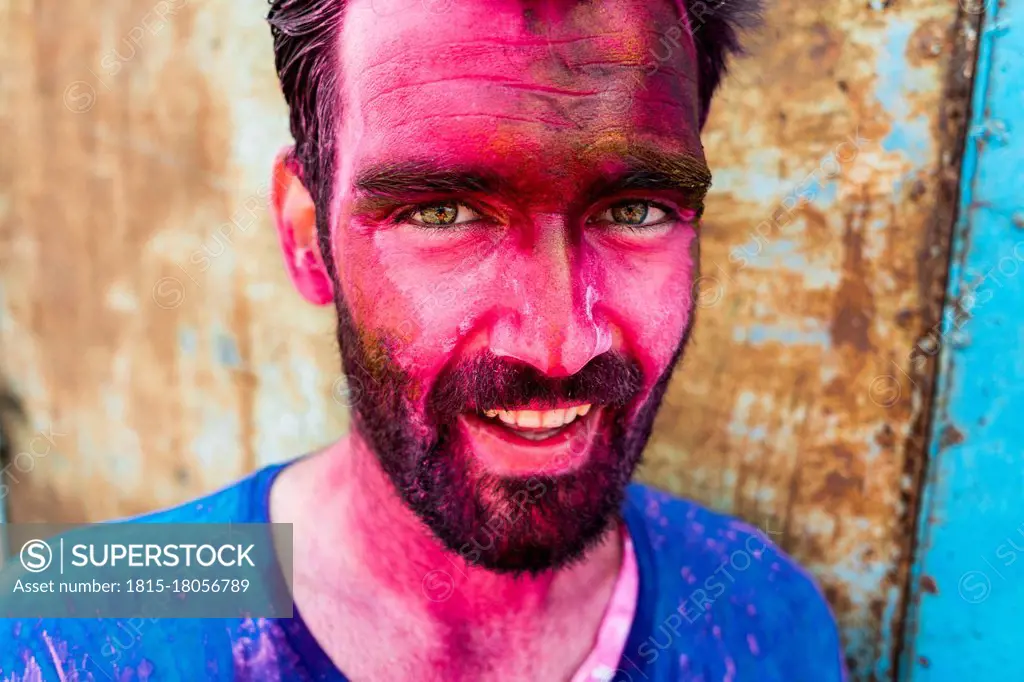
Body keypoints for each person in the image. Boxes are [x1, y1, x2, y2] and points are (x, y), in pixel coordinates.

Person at [1, 0, 846, 679]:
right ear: (306, 237)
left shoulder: (769, 621)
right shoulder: (81, 630)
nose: (557, 346)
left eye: (635, 209)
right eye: (441, 212)